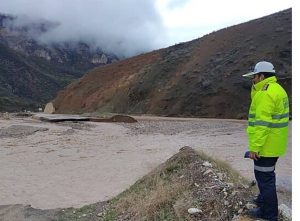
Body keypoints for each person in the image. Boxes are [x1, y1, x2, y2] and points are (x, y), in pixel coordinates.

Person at [242, 61, 289, 221]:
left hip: (266, 146)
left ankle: (268, 215)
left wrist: (255, 148)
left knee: (265, 180)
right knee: (267, 177)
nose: (253, 80)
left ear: (261, 76)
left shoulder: (265, 93)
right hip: (275, 144)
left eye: (254, 77)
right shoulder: (277, 89)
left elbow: (262, 124)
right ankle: (263, 202)